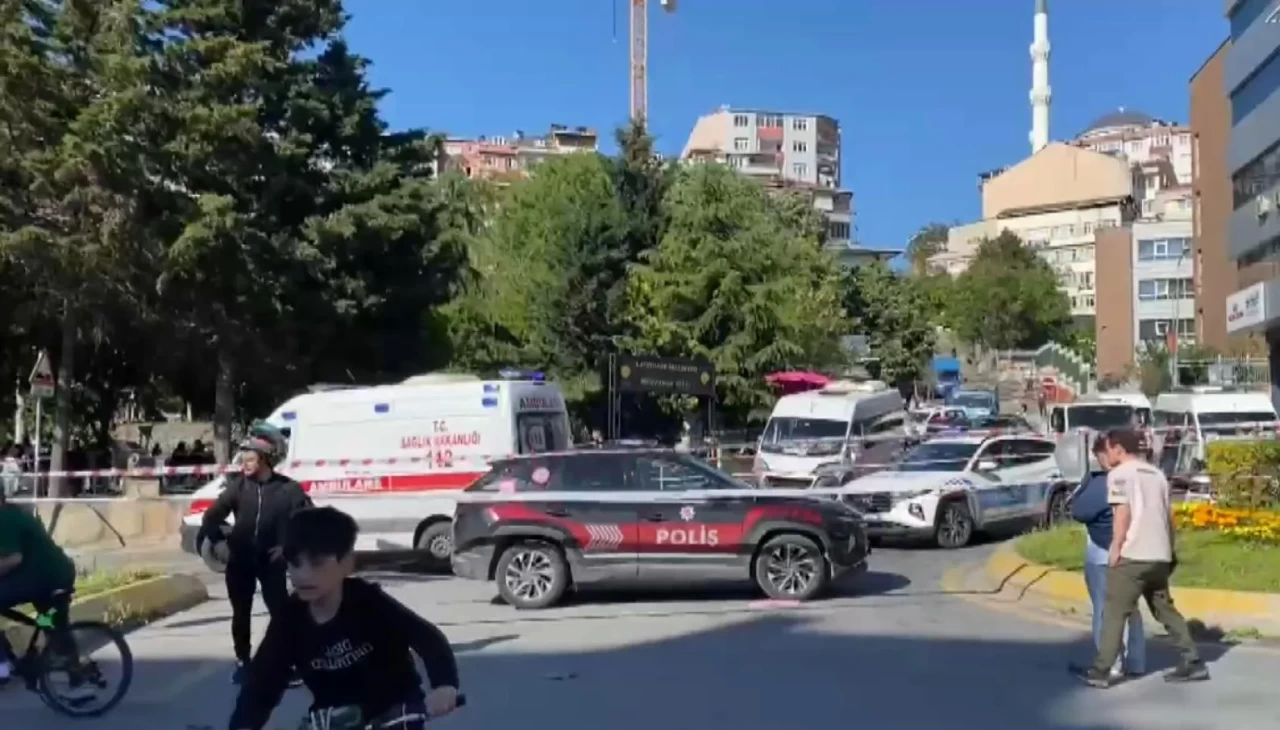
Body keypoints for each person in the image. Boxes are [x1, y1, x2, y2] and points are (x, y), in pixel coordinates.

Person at [228, 507, 460, 730]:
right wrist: (244, 724)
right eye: (295, 563)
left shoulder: (368, 602)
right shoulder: (289, 618)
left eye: (317, 563)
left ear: (346, 564)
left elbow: (428, 639)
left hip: (395, 712)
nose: (304, 574)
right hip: (333, 718)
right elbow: (264, 679)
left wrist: (444, 686)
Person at [1070, 428, 1209, 688]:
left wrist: (1116, 548)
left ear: (1119, 449)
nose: (1105, 455)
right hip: (1159, 555)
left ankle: (1101, 671)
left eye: (1107, 449)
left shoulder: (1119, 475)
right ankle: (1193, 661)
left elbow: (1122, 514)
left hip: (1132, 555)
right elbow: (1168, 517)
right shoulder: (1157, 475)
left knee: (1114, 612)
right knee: (1165, 610)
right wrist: (1169, 551)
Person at [198, 428, 311, 684]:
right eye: (243, 460)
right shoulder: (237, 487)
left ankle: (289, 664)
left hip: (271, 562)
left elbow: (308, 520)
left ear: (265, 460)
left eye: (250, 460)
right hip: (240, 562)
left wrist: (286, 547)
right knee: (241, 614)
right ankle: (243, 662)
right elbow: (211, 517)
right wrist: (222, 545)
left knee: (281, 614)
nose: (244, 464)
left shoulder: (289, 490)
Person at [0, 489, 91, 698]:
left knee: (54, 625)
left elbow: (13, 559)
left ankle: (3, 665)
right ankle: (78, 680)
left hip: (46, 578)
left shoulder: (5, 519)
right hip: (52, 576)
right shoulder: (15, 514)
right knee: (53, 626)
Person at [1070, 433, 1145, 678]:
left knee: (1105, 609)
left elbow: (1080, 510)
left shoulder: (1107, 481)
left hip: (1105, 554)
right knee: (1131, 609)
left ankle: (1110, 665)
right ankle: (1136, 662)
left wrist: (1088, 483)